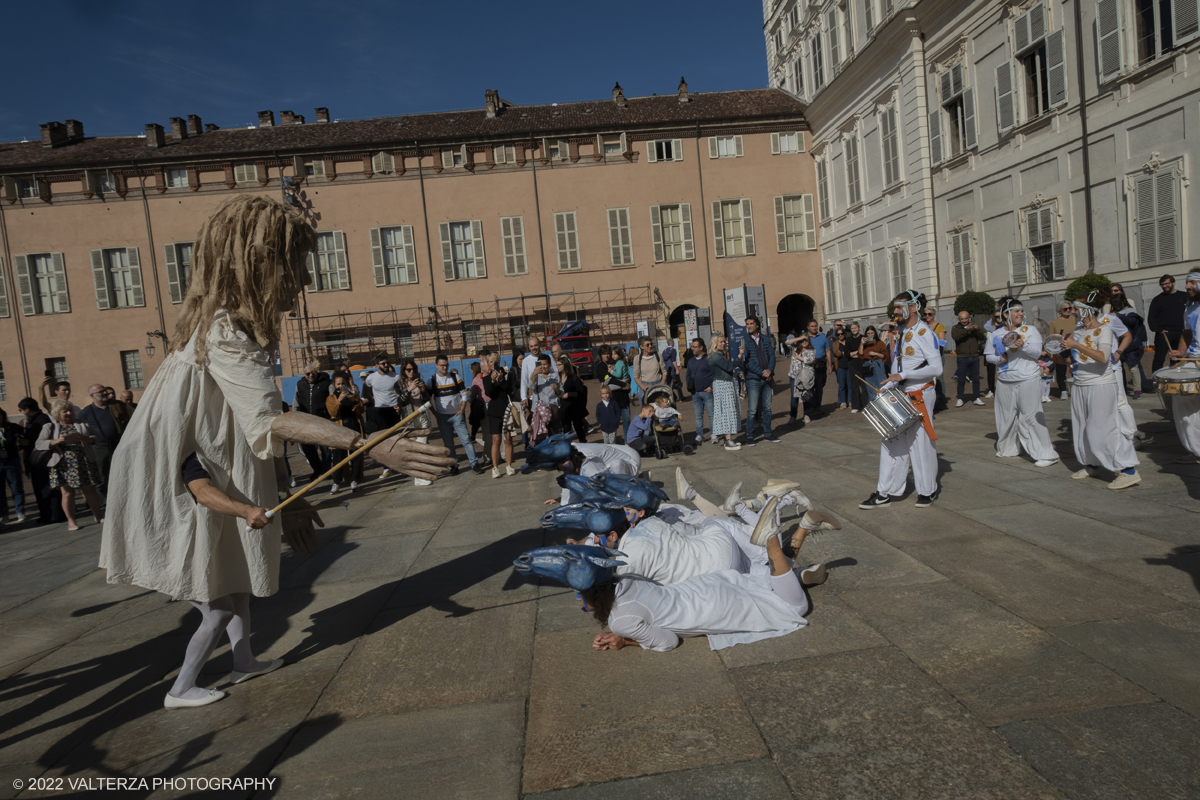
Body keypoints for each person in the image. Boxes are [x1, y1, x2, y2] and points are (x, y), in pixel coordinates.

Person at [99, 195, 454, 709]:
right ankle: (183, 688)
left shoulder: (220, 329)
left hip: (211, 472)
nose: (303, 282)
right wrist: (375, 444)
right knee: (218, 587)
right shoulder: (222, 332)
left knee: (235, 579)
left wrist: (285, 494)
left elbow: (246, 431)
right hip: (185, 482)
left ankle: (243, 660)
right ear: (260, 264)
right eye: (297, 267)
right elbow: (269, 422)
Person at [515, 496, 813, 654]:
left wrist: (626, 641)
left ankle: (775, 546)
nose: (579, 602)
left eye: (579, 596)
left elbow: (668, 642)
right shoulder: (626, 580)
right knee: (765, 578)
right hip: (708, 585)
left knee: (794, 609)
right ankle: (794, 541)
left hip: (716, 605)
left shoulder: (620, 619)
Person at [859, 290, 943, 509]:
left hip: (920, 394)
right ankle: (885, 492)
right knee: (890, 441)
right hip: (901, 393)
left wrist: (903, 376)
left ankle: (928, 490)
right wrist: (888, 384)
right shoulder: (903, 330)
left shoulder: (924, 332)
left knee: (921, 444)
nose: (895, 311)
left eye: (899, 307)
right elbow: (899, 363)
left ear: (914, 307)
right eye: (895, 307)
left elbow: (937, 368)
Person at [1061, 288, 1141, 489]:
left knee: (1102, 428)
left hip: (1101, 384)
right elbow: (1074, 358)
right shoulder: (1078, 331)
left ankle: (1128, 470)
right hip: (1080, 384)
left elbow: (1103, 357)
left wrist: (1076, 345)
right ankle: (1091, 464)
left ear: (1087, 310)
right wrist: (1060, 351)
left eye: (1076, 308)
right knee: (1081, 428)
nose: (1072, 311)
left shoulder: (1104, 329)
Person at [983, 298, 1058, 468]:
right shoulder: (996, 334)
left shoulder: (1030, 330)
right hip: (1005, 379)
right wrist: (999, 358)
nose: (1021, 314)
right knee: (1006, 417)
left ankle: (1046, 453)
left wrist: (1023, 345)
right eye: (1017, 311)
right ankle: (1009, 448)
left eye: (1022, 311)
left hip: (1028, 378)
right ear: (1006, 314)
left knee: (1030, 416)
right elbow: (988, 356)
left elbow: (1037, 353)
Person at [35, 399, 105, 530]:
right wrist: (57, 441)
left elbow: (96, 437)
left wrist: (88, 439)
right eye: (64, 411)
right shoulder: (49, 427)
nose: (68, 413)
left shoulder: (82, 424)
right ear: (57, 413)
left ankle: (98, 515)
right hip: (63, 464)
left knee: (90, 490)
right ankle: (71, 522)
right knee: (67, 493)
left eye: (70, 411)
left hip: (84, 461)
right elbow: (39, 444)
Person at [430, 355, 485, 474]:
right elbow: (428, 399)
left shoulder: (455, 377)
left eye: (446, 365)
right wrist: (435, 414)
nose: (445, 367)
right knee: (448, 443)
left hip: (457, 415)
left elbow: (464, 394)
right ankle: (454, 466)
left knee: (466, 440)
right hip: (442, 417)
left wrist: (462, 409)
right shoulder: (432, 380)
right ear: (436, 366)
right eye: (442, 365)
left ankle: (474, 463)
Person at [1166, 271, 1200, 463]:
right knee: (1183, 404)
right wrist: (1180, 353)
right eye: (1186, 283)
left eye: (1192, 283)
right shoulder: (1190, 309)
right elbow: (1187, 334)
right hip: (1194, 360)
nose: (1187, 287)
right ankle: (1195, 447)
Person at [17, 398, 63, 524]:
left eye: (21, 410)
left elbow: (45, 439)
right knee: (42, 488)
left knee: (47, 488)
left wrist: (29, 442)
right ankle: (48, 514)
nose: (22, 413)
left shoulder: (42, 419)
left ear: (27, 409)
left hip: (42, 460)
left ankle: (53, 515)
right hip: (37, 459)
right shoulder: (35, 420)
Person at [739, 316, 779, 445]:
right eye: (747, 324)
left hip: (767, 378)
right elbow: (747, 362)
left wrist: (770, 370)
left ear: (757, 325)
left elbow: (772, 356)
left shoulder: (766, 339)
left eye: (751, 323)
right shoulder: (744, 341)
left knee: (767, 408)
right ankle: (750, 436)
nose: (749, 326)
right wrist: (762, 372)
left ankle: (768, 433)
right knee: (752, 409)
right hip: (753, 379)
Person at [76, 382, 123, 491]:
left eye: (105, 390)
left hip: (118, 446)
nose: (105, 392)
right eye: (101, 391)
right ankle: (103, 503)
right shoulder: (86, 412)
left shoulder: (116, 406)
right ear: (92, 395)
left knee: (120, 474)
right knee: (101, 476)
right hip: (99, 448)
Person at [396, 358, 435, 486]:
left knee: (422, 448)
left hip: (422, 417)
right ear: (403, 371)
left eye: (414, 369)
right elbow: (400, 402)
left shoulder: (420, 381)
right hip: (409, 420)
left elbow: (427, 400)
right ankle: (418, 478)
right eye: (409, 370)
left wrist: (423, 390)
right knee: (414, 450)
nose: (412, 372)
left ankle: (422, 477)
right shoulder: (399, 384)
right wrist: (409, 389)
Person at [325, 372, 366, 493]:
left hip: (353, 426)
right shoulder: (331, 398)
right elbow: (332, 412)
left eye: (343, 383)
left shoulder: (353, 395)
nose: (341, 386)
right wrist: (340, 400)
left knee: (356, 455)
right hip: (339, 429)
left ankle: (354, 481)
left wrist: (354, 401)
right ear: (334, 384)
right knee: (338, 457)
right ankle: (336, 482)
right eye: (338, 384)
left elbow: (360, 411)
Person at [481, 354, 519, 478]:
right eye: (491, 362)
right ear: (488, 364)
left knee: (508, 439)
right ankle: (495, 467)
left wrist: (501, 379)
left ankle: (509, 465)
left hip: (506, 410)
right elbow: (489, 394)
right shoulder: (486, 378)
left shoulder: (507, 374)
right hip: (494, 411)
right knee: (496, 440)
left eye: (495, 362)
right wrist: (493, 381)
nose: (493, 364)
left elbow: (509, 390)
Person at [293, 363, 332, 481]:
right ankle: (317, 469)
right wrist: (296, 416)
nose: (310, 376)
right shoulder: (300, 384)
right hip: (306, 421)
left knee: (325, 448)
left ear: (317, 373)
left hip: (322, 420)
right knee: (307, 448)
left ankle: (326, 471)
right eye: (307, 374)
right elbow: (295, 401)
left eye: (312, 373)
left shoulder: (326, 383)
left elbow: (332, 399)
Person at [1111, 292, 1151, 398]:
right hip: (1118, 344)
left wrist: (1118, 315)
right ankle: (1121, 389)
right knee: (1119, 368)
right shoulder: (1112, 312)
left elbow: (1132, 322)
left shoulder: (1129, 311)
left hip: (1131, 345)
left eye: (1118, 303)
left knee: (1133, 368)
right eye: (1114, 304)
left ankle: (1137, 390)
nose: (1116, 306)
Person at [708, 334, 742, 450]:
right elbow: (728, 367)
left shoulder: (720, 354)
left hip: (725, 384)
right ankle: (728, 440)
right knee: (727, 412)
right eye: (721, 342)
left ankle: (728, 439)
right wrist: (739, 356)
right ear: (715, 343)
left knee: (729, 410)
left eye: (724, 342)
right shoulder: (715, 355)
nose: (723, 344)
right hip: (722, 384)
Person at [1149, 274, 1188, 374]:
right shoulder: (1157, 299)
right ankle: (1156, 382)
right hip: (1164, 333)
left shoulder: (1184, 296)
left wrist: (1187, 328)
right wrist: (1158, 330)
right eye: (1162, 284)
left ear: (1173, 283)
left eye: (1167, 283)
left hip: (1181, 332)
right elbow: (1151, 317)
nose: (1164, 286)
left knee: (1176, 358)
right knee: (1159, 359)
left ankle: (1175, 379)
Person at [951, 312, 987, 408]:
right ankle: (960, 398)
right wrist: (967, 330)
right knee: (961, 379)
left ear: (969, 318)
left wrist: (977, 330)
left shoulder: (973, 328)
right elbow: (956, 338)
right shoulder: (955, 328)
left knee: (975, 379)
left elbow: (983, 338)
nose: (964, 321)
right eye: (962, 319)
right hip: (962, 357)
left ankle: (976, 398)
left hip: (974, 356)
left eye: (966, 318)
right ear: (959, 319)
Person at [597, 345, 631, 442]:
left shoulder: (617, 363)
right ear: (601, 355)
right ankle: (613, 443)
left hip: (623, 396)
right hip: (611, 398)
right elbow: (608, 379)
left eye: (608, 353)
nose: (607, 356)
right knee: (612, 422)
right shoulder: (600, 367)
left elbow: (627, 375)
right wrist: (623, 384)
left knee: (627, 419)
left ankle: (627, 441)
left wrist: (627, 384)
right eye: (604, 354)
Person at [0, 407, 27, 524]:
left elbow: (27, 433)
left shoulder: (12, 427)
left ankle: (20, 511)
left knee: (16, 487)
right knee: (0, 491)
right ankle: (4, 514)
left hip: (12, 461)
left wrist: (22, 443)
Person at [363, 354, 401, 430]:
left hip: (394, 409)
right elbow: (366, 390)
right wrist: (373, 401)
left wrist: (399, 404)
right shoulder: (371, 378)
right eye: (383, 363)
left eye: (387, 363)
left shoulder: (396, 377)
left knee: (397, 433)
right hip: (379, 410)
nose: (386, 365)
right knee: (382, 434)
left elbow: (401, 392)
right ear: (377, 365)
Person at [803, 320, 832, 419]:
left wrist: (830, 364)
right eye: (812, 326)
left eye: (815, 326)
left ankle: (818, 406)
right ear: (808, 327)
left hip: (821, 363)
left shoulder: (823, 337)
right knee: (810, 386)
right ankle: (811, 407)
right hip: (809, 364)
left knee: (820, 386)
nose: (814, 328)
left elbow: (827, 351)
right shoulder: (805, 338)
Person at [686, 338, 714, 444]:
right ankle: (699, 435)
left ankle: (713, 433)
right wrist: (691, 388)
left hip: (707, 392)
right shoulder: (691, 361)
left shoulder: (709, 359)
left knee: (711, 414)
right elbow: (688, 375)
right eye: (691, 346)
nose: (692, 348)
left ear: (701, 347)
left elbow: (714, 374)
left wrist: (711, 387)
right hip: (695, 393)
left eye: (694, 346)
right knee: (698, 415)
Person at [1048, 302, 1077, 399]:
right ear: (1060, 310)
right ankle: (1063, 390)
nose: (1068, 310)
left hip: (1075, 347)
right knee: (1060, 371)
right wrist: (1051, 353)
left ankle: (1076, 388)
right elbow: (1051, 339)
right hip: (1061, 349)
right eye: (1065, 309)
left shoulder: (1075, 319)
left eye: (1069, 308)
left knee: (1076, 369)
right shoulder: (1054, 322)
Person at [558, 355, 589, 444]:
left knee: (578, 428)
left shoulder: (573, 378)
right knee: (566, 429)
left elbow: (581, 393)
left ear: (565, 365)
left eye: (559, 365)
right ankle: (568, 448)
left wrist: (569, 394)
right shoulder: (557, 378)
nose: (557, 367)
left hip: (575, 407)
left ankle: (583, 446)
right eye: (557, 365)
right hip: (564, 408)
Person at [922, 308, 948, 411]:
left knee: (939, 377)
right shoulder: (923, 326)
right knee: (928, 378)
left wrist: (936, 349)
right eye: (925, 314)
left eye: (929, 314)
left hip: (937, 355)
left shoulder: (939, 326)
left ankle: (942, 400)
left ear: (934, 315)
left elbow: (943, 341)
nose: (927, 316)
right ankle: (932, 401)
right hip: (925, 357)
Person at [786, 335, 816, 425]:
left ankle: (806, 414)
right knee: (794, 396)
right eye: (803, 340)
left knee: (806, 395)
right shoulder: (795, 348)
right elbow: (787, 342)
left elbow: (810, 360)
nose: (804, 342)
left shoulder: (811, 350)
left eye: (806, 340)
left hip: (805, 377)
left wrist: (798, 358)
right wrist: (799, 338)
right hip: (794, 376)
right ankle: (793, 416)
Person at [632, 336, 665, 405]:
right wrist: (642, 386)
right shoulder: (637, 358)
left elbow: (664, 371)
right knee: (646, 412)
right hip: (645, 387)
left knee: (660, 410)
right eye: (647, 345)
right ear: (641, 346)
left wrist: (662, 383)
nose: (650, 346)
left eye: (651, 344)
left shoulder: (657, 355)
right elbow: (636, 376)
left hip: (658, 384)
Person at [859, 326, 888, 403]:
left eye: (872, 333)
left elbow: (884, 355)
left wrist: (875, 353)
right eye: (868, 333)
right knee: (869, 387)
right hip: (867, 364)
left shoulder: (880, 343)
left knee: (881, 385)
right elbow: (860, 354)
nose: (870, 335)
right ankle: (873, 404)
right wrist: (862, 344)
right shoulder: (864, 343)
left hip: (877, 363)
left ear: (875, 333)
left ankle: (883, 404)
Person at [844, 322, 865, 413]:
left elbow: (865, 352)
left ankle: (865, 404)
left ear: (859, 328)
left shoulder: (863, 338)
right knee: (854, 386)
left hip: (862, 363)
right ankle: (855, 406)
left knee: (863, 385)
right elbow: (846, 354)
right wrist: (857, 353)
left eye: (855, 328)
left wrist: (855, 354)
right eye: (852, 328)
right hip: (852, 364)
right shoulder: (848, 340)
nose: (853, 330)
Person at [983, 309, 1003, 398]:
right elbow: (988, 339)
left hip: (1002, 351)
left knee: (1002, 370)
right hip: (992, 351)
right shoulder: (989, 326)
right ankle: (991, 390)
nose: (999, 318)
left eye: (1000, 316)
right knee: (991, 372)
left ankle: (1001, 389)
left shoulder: (1007, 326)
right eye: (996, 316)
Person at [467, 361, 487, 446]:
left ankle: (473, 436)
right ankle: (483, 436)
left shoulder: (476, 379)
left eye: (471, 369)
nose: (470, 370)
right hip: (487, 402)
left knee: (477, 421)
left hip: (479, 403)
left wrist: (472, 402)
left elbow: (474, 393)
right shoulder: (485, 376)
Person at [831, 327, 851, 410]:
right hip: (840, 366)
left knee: (850, 385)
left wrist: (842, 353)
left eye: (841, 334)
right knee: (842, 385)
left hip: (849, 366)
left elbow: (851, 352)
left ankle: (850, 401)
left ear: (844, 334)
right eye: (838, 334)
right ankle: (843, 402)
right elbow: (836, 353)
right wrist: (845, 353)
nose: (840, 335)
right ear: (836, 335)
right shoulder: (835, 343)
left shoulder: (849, 341)